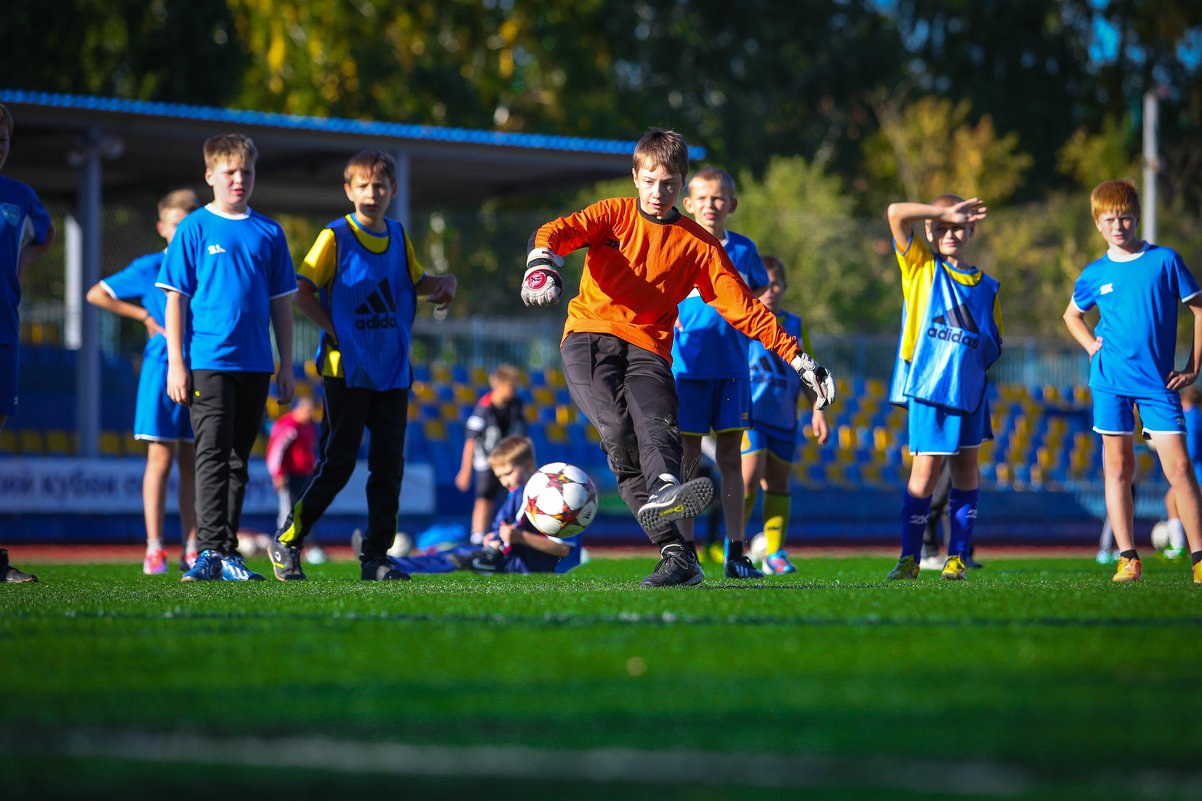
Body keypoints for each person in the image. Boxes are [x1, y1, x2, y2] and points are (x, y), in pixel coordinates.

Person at [521, 127, 835, 587]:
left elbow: (745, 308)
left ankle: (672, 523)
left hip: (649, 345)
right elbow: (556, 231)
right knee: (617, 431)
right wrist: (541, 262)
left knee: (656, 419)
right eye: (650, 180)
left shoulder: (698, 245)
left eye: (669, 183)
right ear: (635, 177)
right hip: (590, 335)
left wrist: (801, 360)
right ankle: (674, 542)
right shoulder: (611, 215)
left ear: (681, 185)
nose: (658, 192)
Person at [269, 149, 457, 581]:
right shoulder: (335, 236)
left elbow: (416, 283)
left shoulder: (398, 235)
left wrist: (443, 284)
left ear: (392, 190)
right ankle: (289, 540)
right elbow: (301, 290)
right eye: (362, 186)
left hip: (393, 370)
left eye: (380, 186)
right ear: (348, 191)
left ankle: (375, 557)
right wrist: (337, 331)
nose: (371, 193)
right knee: (337, 464)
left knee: (389, 467)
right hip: (345, 371)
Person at [157, 132, 297, 582]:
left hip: (256, 364)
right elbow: (175, 299)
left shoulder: (269, 232)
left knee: (239, 460)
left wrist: (286, 365)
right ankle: (208, 552)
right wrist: (177, 363)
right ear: (210, 175)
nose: (240, 179)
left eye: (247, 171)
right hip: (208, 362)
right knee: (211, 455)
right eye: (230, 172)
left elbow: (281, 304)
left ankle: (227, 552)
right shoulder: (194, 228)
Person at [1063, 179, 1202, 584]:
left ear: (1137, 217)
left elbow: (1199, 309)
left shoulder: (1165, 261)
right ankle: (1128, 558)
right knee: (1118, 468)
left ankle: (1198, 559)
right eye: (1110, 219)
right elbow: (1072, 315)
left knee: (1179, 468)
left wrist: (1193, 366)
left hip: (1159, 384)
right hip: (1110, 382)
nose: (1119, 225)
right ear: (1098, 224)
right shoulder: (1094, 273)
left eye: (1125, 217)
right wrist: (1092, 346)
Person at [885, 194, 1002, 581]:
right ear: (931, 232)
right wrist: (943, 211)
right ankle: (910, 557)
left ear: (972, 230)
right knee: (923, 477)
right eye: (942, 227)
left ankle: (958, 557)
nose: (950, 232)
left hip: (969, 395)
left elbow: (992, 344)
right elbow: (896, 214)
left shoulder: (989, 287)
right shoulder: (920, 267)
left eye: (958, 226)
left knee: (966, 475)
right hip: (930, 391)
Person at [87, 188, 201, 575]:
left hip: (200, 365)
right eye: (175, 223)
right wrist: (142, 317)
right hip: (161, 366)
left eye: (189, 223)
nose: (182, 230)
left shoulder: (206, 264)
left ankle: (193, 547)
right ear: (162, 228)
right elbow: (96, 294)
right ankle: (154, 548)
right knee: (161, 457)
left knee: (193, 460)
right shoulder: (151, 266)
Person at [672, 167, 770, 579]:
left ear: (731, 204)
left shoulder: (744, 251)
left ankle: (736, 551)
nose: (711, 205)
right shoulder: (675, 243)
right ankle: (685, 551)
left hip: (733, 369)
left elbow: (760, 296)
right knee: (688, 460)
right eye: (702, 198)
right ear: (688, 203)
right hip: (686, 369)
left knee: (731, 457)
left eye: (719, 198)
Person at [740, 256, 830, 575]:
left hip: (784, 418)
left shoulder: (794, 324)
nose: (769, 290)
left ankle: (775, 554)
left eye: (776, 283)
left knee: (778, 483)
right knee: (749, 480)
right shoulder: (742, 319)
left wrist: (818, 410)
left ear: (785, 287)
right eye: (762, 284)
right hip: (749, 416)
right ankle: (733, 549)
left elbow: (808, 372)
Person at [390, 435, 580, 575]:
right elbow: (507, 529)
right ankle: (395, 563)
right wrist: (498, 537)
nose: (504, 481)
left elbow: (563, 548)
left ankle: (394, 564)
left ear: (529, 465)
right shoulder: (522, 494)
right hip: (524, 560)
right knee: (459, 553)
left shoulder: (531, 495)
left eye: (508, 473)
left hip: (527, 564)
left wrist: (513, 538)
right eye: (499, 477)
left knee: (459, 554)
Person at [0, 102, 55, 584]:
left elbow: (46, 235)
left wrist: (21, 263)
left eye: (3, 139)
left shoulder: (20, 196)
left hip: (3, 328)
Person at [454, 364, 526, 544]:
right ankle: (477, 536)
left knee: (515, 493)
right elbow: (471, 441)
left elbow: (522, 433)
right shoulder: (484, 408)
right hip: (486, 462)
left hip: (508, 461)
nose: (514, 390)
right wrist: (466, 471)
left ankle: (512, 532)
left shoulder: (516, 405)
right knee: (484, 498)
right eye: (511, 386)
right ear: (499, 386)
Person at [265, 395, 323, 563]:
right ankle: (282, 546)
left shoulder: (308, 426)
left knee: (306, 511)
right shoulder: (288, 426)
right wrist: (277, 474)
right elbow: (276, 451)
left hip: (304, 475)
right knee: (288, 512)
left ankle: (307, 547)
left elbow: (310, 451)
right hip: (289, 476)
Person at [1160, 386, 1202, 559]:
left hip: (1196, 473)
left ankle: (1177, 546)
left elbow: (1191, 449)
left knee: (1172, 500)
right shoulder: (1197, 415)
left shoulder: (1190, 416)